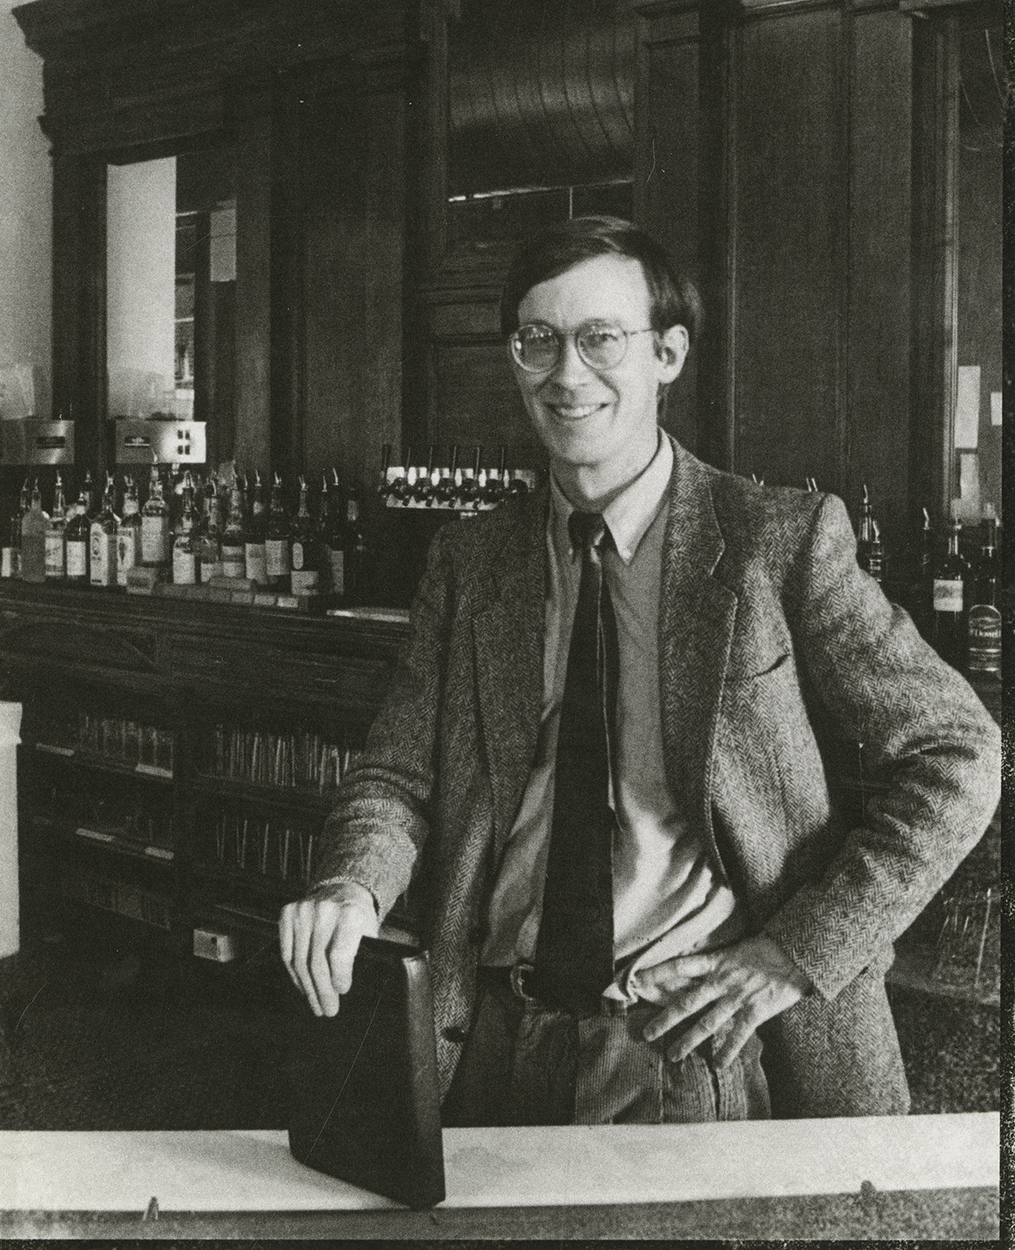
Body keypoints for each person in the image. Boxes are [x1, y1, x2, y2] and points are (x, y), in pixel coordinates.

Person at [280, 215, 999, 1123]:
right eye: (538, 341)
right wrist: (353, 881)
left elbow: (958, 751)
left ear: (668, 354)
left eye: (601, 339)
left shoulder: (776, 543)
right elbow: (395, 774)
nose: (567, 374)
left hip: (695, 1048)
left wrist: (799, 951)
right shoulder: (470, 561)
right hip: (489, 1043)